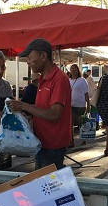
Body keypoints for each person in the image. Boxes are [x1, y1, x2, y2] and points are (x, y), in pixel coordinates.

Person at [7, 38, 71, 169]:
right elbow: (44, 109)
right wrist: (30, 116)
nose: (28, 62)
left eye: (30, 58)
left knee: (48, 186)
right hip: (42, 143)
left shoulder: (59, 79)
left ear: (43, 56)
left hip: (52, 146)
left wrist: (24, 106)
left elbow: (54, 114)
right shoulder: (43, 79)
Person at [69, 64, 89, 147]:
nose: (73, 70)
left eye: (74, 69)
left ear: (78, 70)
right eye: (71, 69)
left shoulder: (82, 80)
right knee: (70, 123)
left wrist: (88, 106)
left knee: (82, 123)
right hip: (70, 105)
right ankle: (71, 141)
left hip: (80, 105)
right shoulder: (68, 80)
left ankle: (84, 139)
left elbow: (86, 94)